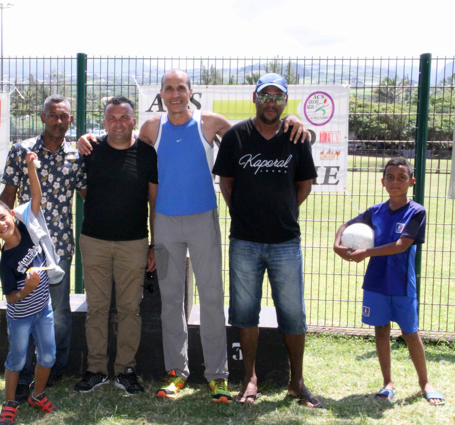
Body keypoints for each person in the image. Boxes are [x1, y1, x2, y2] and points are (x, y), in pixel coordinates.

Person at [79, 69, 309, 403]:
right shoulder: (150, 129)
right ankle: (177, 372)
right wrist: (88, 138)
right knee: (172, 302)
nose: (175, 94)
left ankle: (218, 375)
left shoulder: (210, 123)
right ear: (161, 94)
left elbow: (255, 134)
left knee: (212, 299)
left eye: (181, 88)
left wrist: (292, 122)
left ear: (191, 92)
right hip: (166, 224)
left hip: (203, 220)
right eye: (169, 89)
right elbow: (123, 151)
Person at [213, 73, 321, 407]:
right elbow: (227, 183)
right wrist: (243, 213)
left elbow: (303, 185)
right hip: (244, 241)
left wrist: (283, 211)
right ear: (255, 98)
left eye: (277, 97)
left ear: (285, 101)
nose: (271, 102)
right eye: (265, 96)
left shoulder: (296, 137)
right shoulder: (235, 136)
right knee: (245, 312)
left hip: (285, 241)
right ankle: (249, 379)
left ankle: (296, 381)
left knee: (293, 313)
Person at [0, 94, 86, 401]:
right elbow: (8, 194)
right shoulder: (22, 151)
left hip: (59, 247)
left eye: (65, 116)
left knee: (56, 311)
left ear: (71, 120)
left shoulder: (77, 155)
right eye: (53, 116)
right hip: (23, 246)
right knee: (23, 308)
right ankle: (24, 371)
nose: (59, 121)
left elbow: (88, 194)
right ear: (43, 118)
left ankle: (52, 370)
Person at [333, 158, 445, 406]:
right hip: (376, 282)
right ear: (382, 181)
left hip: (402, 284)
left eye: (402, 177)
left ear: (411, 182)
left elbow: (400, 245)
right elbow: (345, 224)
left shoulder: (416, 211)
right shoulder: (375, 212)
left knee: (410, 332)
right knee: (381, 330)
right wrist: (337, 243)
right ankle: (388, 383)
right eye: (391, 177)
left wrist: (365, 254)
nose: (396, 182)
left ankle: (425, 383)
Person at [73, 97, 158, 396]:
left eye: (125, 117)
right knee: (96, 309)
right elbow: (82, 186)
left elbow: (154, 202)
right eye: (112, 117)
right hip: (94, 241)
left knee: (129, 310)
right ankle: (96, 370)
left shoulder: (147, 154)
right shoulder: (89, 150)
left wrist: (153, 245)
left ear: (135, 121)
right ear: (104, 121)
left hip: (134, 243)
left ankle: (126, 371)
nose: (118, 122)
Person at [0, 151, 61, 422]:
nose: (1, 224)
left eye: (2, 217)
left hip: (44, 311)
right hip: (21, 317)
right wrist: (26, 290)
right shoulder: (7, 262)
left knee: (48, 356)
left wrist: (30, 167)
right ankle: (10, 402)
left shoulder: (29, 227)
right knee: (17, 360)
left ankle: (37, 395)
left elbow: (36, 197)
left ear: (12, 214)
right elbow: (11, 298)